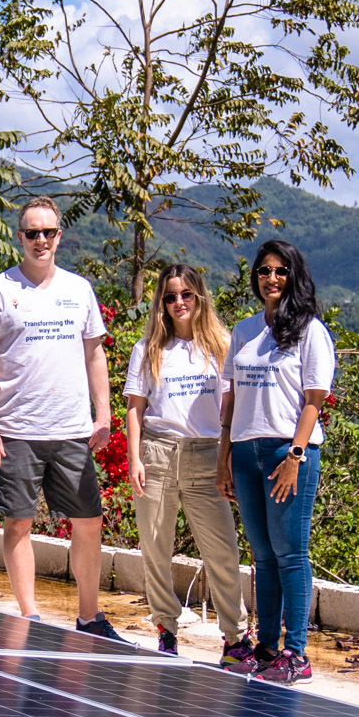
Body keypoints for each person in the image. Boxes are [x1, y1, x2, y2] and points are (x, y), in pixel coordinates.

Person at [0, 196, 124, 641]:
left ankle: (89, 617)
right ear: (20, 238)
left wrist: (104, 411)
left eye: (48, 232)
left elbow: (95, 353)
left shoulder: (79, 290)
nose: (41, 240)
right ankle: (29, 615)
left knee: (89, 522)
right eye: (32, 233)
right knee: (18, 522)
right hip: (16, 429)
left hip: (72, 429)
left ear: (60, 236)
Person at [216, 238, 335, 684]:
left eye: (280, 270)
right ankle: (266, 646)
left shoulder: (309, 331)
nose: (271, 278)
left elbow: (314, 401)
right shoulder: (245, 331)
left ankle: (296, 654)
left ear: (294, 276)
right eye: (264, 270)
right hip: (246, 451)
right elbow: (232, 400)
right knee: (262, 557)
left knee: (291, 554)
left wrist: (296, 456)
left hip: (288, 450)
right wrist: (224, 457)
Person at [123, 264, 253, 660]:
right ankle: (165, 628)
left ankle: (235, 638)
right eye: (169, 296)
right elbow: (134, 408)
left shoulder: (223, 346)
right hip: (158, 453)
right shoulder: (148, 350)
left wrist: (228, 460)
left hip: (207, 455)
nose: (178, 302)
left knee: (223, 552)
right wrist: (134, 459)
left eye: (186, 294)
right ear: (160, 303)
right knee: (155, 548)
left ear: (199, 297)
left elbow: (233, 408)